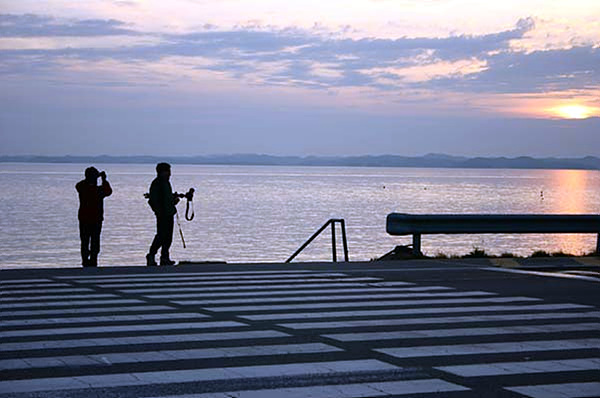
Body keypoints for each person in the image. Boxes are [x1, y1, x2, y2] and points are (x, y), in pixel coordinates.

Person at [76, 167, 112, 267]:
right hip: (95, 219)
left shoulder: (82, 188)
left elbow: (79, 185)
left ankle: (85, 260)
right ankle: (93, 260)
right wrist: (104, 179)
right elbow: (108, 191)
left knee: (85, 240)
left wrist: (92, 177)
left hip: (84, 218)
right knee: (95, 240)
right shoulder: (98, 190)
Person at [146, 162, 179, 266]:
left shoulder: (165, 183)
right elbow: (153, 200)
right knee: (161, 236)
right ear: (162, 172)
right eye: (168, 171)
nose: (170, 174)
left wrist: (173, 201)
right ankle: (151, 255)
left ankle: (165, 257)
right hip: (163, 214)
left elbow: (166, 198)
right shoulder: (157, 183)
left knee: (168, 237)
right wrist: (158, 211)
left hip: (169, 213)